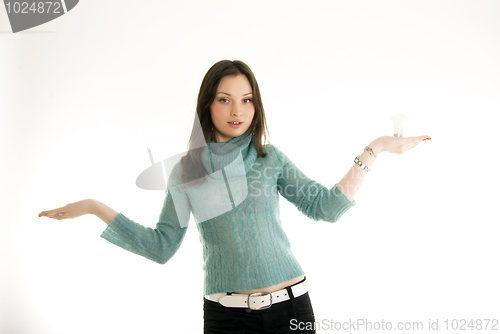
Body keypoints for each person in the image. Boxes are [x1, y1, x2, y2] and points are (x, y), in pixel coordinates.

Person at [38, 60, 432, 333]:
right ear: (207, 104)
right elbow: (161, 247)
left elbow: (324, 208)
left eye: (246, 99)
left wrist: (374, 150)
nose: (237, 110)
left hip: (292, 310)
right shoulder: (186, 172)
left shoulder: (268, 157)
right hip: (227, 319)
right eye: (224, 99)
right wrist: (94, 208)